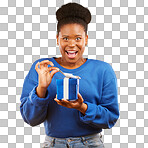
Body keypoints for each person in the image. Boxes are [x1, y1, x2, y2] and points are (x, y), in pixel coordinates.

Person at [20, 2, 119, 148]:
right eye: (65, 38)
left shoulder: (103, 70)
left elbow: (110, 118)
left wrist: (82, 107)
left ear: (86, 39)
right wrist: (41, 88)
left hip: (91, 144)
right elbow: (30, 119)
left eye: (78, 38)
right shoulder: (43, 67)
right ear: (57, 39)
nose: (71, 44)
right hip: (52, 144)